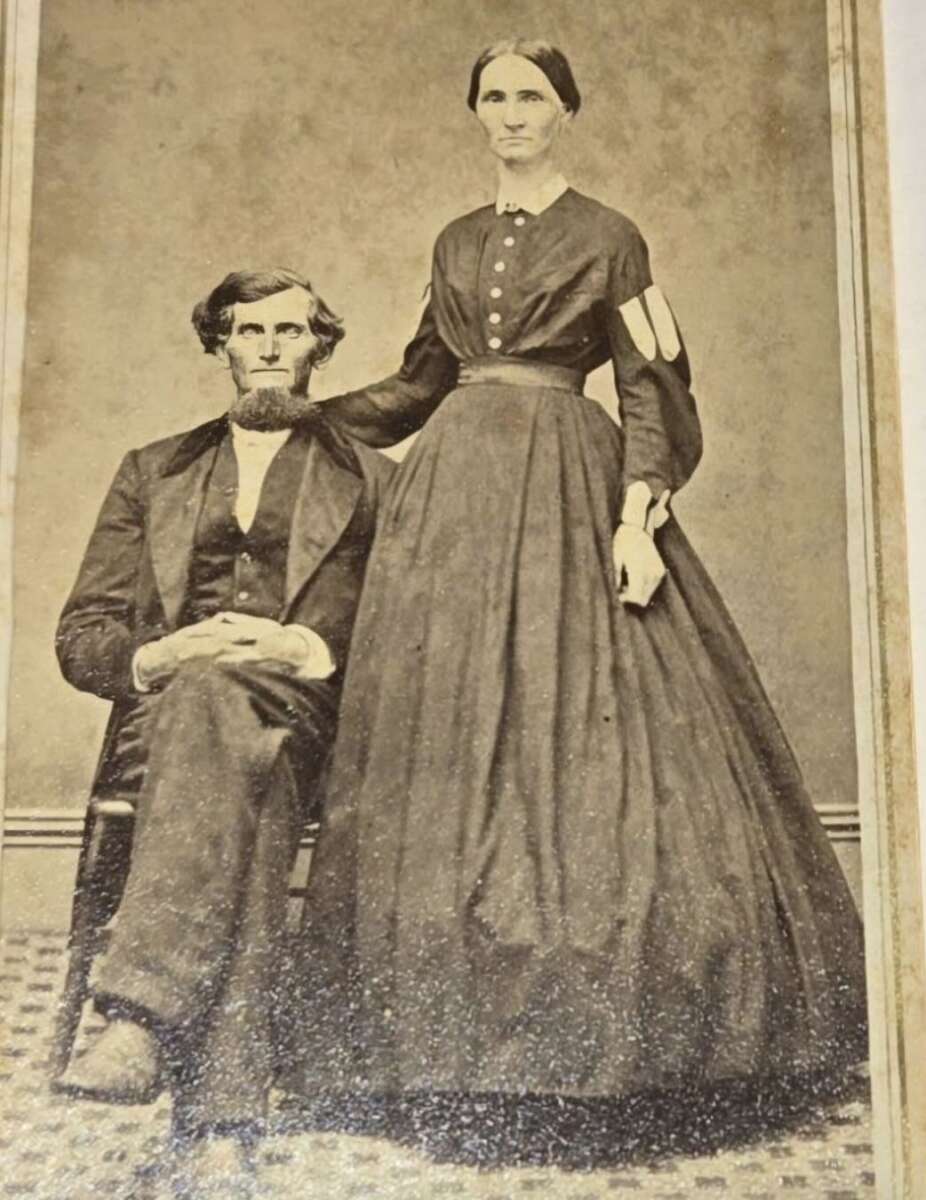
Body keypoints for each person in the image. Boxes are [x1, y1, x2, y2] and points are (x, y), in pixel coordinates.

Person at [288, 40, 869, 1108]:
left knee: (586, 728)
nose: (511, 113)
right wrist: (303, 418)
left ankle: (613, 1052)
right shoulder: (454, 239)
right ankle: (431, 1048)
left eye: (531, 97)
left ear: (565, 111)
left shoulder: (611, 236)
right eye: (494, 97)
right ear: (476, 111)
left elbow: (655, 383)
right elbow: (419, 382)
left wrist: (639, 516)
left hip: (568, 484)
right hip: (452, 501)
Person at [53, 268, 394, 1195]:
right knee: (238, 760)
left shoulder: (374, 480)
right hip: (168, 727)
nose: (270, 347)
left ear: (321, 347)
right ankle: (220, 1124)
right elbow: (81, 636)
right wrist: (165, 654)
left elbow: (407, 635)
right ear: (220, 345)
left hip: (306, 719)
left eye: (291, 330)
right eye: (250, 331)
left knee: (244, 738)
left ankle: (140, 1013)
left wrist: (303, 647)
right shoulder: (152, 469)